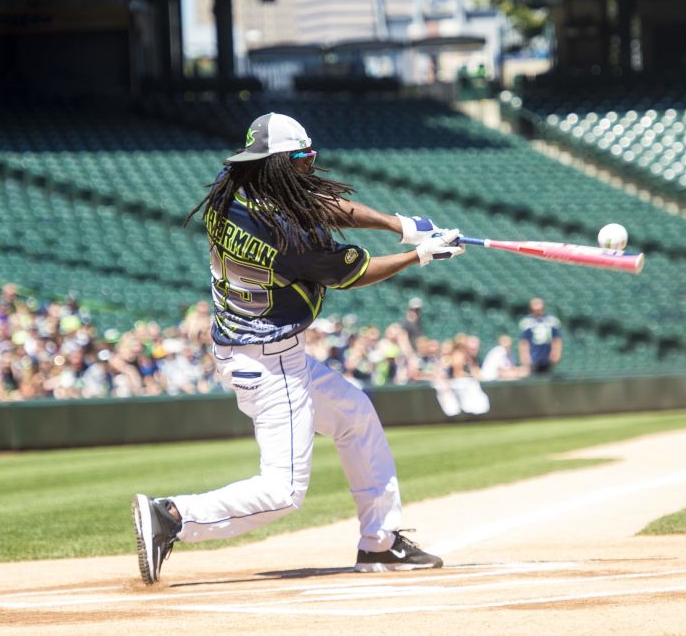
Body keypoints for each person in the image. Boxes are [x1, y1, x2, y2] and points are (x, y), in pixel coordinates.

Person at [130, 111, 463, 585]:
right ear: (277, 166)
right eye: (302, 157)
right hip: (271, 363)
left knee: (355, 416)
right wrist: (420, 255)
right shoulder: (286, 235)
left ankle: (381, 542)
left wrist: (400, 225)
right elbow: (353, 272)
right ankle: (174, 516)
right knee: (284, 490)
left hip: (252, 351)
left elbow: (317, 203)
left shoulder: (235, 191)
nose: (310, 164)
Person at [518, 297, 563, 376]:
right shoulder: (526, 322)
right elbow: (524, 341)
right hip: (533, 355)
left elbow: (556, 339)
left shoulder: (552, 320)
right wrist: (525, 356)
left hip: (547, 355)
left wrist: (556, 352)